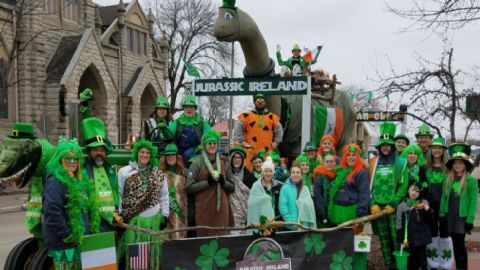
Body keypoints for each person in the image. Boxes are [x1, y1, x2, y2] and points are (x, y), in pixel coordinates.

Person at [42, 138, 100, 270]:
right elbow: (52, 211)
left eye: (76, 159)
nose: (72, 162)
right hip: (65, 245)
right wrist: (67, 234)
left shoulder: (79, 180)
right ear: (60, 160)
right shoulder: (55, 181)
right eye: (68, 158)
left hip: (79, 241)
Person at [117, 140, 169, 269]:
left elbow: (164, 196)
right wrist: (119, 215)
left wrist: (165, 215)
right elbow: (119, 194)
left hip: (154, 221)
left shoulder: (158, 174)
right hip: (133, 222)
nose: (144, 155)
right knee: (135, 257)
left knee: (151, 256)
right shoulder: (124, 172)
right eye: (142, 152)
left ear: (151, 156)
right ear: (136, 153)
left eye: (147, 153)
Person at [369, 121, 409, 270]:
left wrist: (394, 203)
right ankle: (388, 265)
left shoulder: (401, 162)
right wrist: (372, 202)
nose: (385, 147)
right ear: (380, 147)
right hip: (377, 209)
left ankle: (400, 266)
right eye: (383, 145)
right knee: (384, 239)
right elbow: (368, 185)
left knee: (396, 237)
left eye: (388, 144)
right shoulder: (372, 162)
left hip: (394, 209)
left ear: (392, 146)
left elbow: (404, 186)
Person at [185, 130, 235, 237]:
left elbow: (232, 187)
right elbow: (188, 188)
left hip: (221, 209)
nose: (212, 146)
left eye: (214, 143)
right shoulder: (196, 163)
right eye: (209, 143)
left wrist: (223, 182)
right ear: (204, 145)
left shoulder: (224, 162)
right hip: (204, 208)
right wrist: (207, 183)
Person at [328, 144, 370, 270]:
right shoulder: (343, 171)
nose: (351, 157)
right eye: (348, 155)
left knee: (358, 245)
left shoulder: (361, 172)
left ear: (358, 157)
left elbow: (364, 194)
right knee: (341, 245)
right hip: (339, 213)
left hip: (353, 213)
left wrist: (360, 216)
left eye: (354, 155)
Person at [439, 142, 478, 270]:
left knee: (460, 244)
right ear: (452, 165)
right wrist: (442, 214)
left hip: (462, 218)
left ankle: (462, 267)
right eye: (455, 163)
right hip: (451, 216)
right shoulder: (449, 179)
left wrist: (470, 219)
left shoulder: (471, 181)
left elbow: (473, 201)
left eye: (460, 163)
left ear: (465, 164)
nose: (457, 165)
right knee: (454, 244)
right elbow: (445, 198)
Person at [82, 117, 120, 232]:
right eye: (95, 150)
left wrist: (117, 212)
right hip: (89, 226)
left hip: (110, 225)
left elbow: (116, 194)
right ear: (89, 152)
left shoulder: (111, 171)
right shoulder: (82, 172)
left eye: (102, 150)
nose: (99, 153)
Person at [234, 93, 283, 170]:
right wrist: (242, 142)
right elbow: (237, 130)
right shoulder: (246, 115)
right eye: (258, 100)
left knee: (266, 171)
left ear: (265, 102)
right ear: (254, 102)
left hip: (266, 151)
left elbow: (279, 130)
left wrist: (276, 142)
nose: (260, 102)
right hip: (250, 150)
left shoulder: (272, 117)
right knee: (249, 171)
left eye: (262, 100)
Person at [424, 137, 452, 269]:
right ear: (431, 150)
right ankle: (433, 260)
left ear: (443, 150)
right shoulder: (426, 167)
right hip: (430, 204)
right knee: (432, 230)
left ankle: (446, 261)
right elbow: (423, 187)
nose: (437, 150)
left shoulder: (448, 168)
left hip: (444, 204)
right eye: (434, 148)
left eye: (440, 148)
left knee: (445, 230)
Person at [396, 183, 434, 270]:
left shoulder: (423, 204)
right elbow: (399, 221)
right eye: (412, 190)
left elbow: (431, 219)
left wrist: (427, 209)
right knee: (411, 261)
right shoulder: (402, 206)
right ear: (408, 191)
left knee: (422, 259)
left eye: (417, 191)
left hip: (422, 237)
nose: (414, 193)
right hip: (409, 238)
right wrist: (400, 232)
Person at [168, 95, 211, 166]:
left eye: (191, 107)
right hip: (178, 150)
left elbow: (209, 134)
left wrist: (203, 144)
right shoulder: (177, 122)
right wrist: (164, 130)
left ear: (195, 109)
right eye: (187, 107)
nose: (189, 110)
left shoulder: (201, 122)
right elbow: (169, 133)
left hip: (195, 151)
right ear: (184, 109)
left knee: (188, 154)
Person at [247, 157, 283, 233]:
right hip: (259, 220)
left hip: (275, 220)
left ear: (273, 172)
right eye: (266, 171)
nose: (268, 173)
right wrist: (265, 198)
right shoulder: (256, 185)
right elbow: (251, 203)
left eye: (270, 171)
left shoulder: (278, 186)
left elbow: (280, 203)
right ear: (262, 172)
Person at [159, 144, 188, 240]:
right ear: (165, 157)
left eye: (173, 154)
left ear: (177, 156)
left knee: (181, 238)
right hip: (166, 213)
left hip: (181, 213)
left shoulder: (185, 173)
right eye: (168, 155)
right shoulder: (160, 174)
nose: (170, 157)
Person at [279, 165, 317, 230]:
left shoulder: (305, 188)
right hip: (292, 225)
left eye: (298, 172)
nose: (295, 174)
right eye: (293, 172)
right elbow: (282, 207)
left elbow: (310, 207)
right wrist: (291, 222)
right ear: (290, 175)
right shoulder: (285, 188)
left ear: (301, 175)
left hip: (305, 225)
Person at [228, 146, 254, 232]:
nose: (236, 160)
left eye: (239, 158)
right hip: (230, 210)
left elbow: (251, 194)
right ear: (231, 159)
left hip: (244, 211)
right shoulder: (226, 174)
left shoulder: (249, 175)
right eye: (234, 157)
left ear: (242, 160)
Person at [313, 152, 337, 227]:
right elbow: (318, 197)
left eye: (331, 161)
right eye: (327, 162)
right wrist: (323, 215)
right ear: (323, 163)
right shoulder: (319, 178)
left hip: (336, 214)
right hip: (324, 215)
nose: (329, 163)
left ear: (335, 163)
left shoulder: (338, 176)